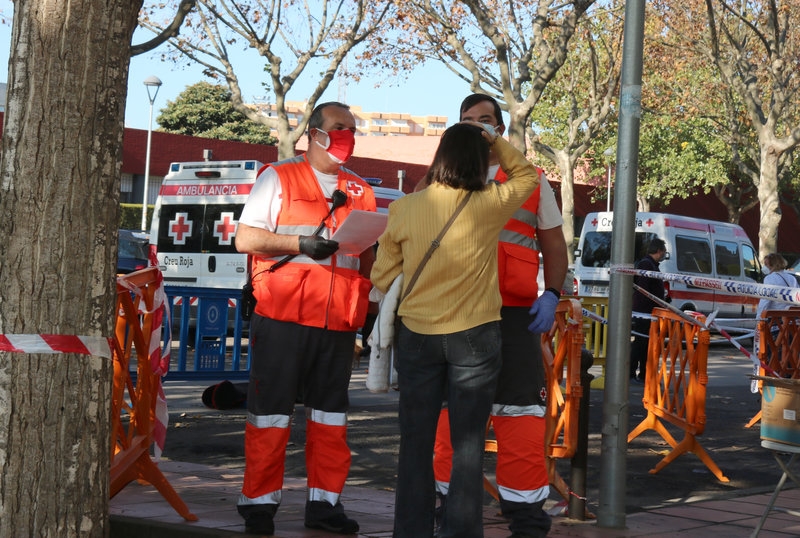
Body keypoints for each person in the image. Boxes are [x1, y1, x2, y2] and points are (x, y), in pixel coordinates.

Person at [371, 121, 543, 538]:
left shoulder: (405, 208)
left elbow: (381, 275)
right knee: (468, 448)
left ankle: (410, 532)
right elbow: (527, 175)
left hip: (417, 337)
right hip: (476, 338)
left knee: (415, 443)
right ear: (481, 161)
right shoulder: (489, 203)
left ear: (440, 159)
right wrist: (494, 140)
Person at [234, 101, 376, 536]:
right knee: (271, 414)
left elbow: (366, 258)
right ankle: (259, 506)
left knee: (330, 418)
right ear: (313, 133)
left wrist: (366, 311)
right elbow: (246, 238)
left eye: (351, 129)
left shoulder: (360, 190)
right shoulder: (278, 177)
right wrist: (299, 243)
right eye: (337, 128)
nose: (345, 135)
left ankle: (325, 506)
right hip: (282, 317)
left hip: (337, 323)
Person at [429, 94, 567, 538]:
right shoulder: (440, 178)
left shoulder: (531, 181)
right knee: (452, 415)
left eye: (485, 121)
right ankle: (449, 505)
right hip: (456, 312)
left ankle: (526, 515)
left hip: (513, 314)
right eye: (467, 121)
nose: (477, 128)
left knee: (521, 412)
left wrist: (553, 294)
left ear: (500, 131)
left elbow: (554, 246)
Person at [630, 237, 668, 383]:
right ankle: (633, 373)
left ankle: (644, 374)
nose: (665, 254)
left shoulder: (651, 264)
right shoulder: (647, 265)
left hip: (649, 311)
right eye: (664, 251)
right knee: (641, 343)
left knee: (645, 344)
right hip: (645, 312)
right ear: (659, 251)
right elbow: (644, 290)